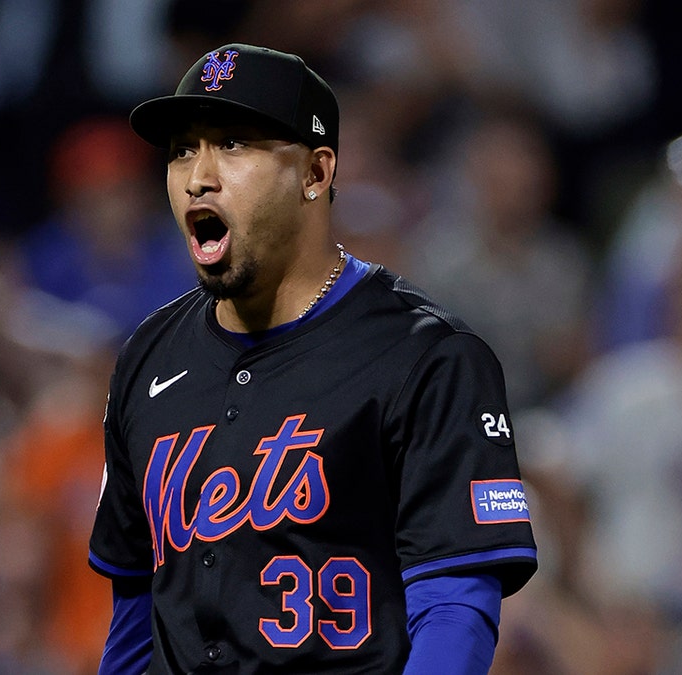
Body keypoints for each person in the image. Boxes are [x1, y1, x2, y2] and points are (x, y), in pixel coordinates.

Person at [88, 43, 537, 674]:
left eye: (234, 144)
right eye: (184, 149)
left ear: (316, 173)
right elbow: (137, 604)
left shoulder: (428, 358)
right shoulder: (148, 355)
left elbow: (455, 607)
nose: (198, 175)